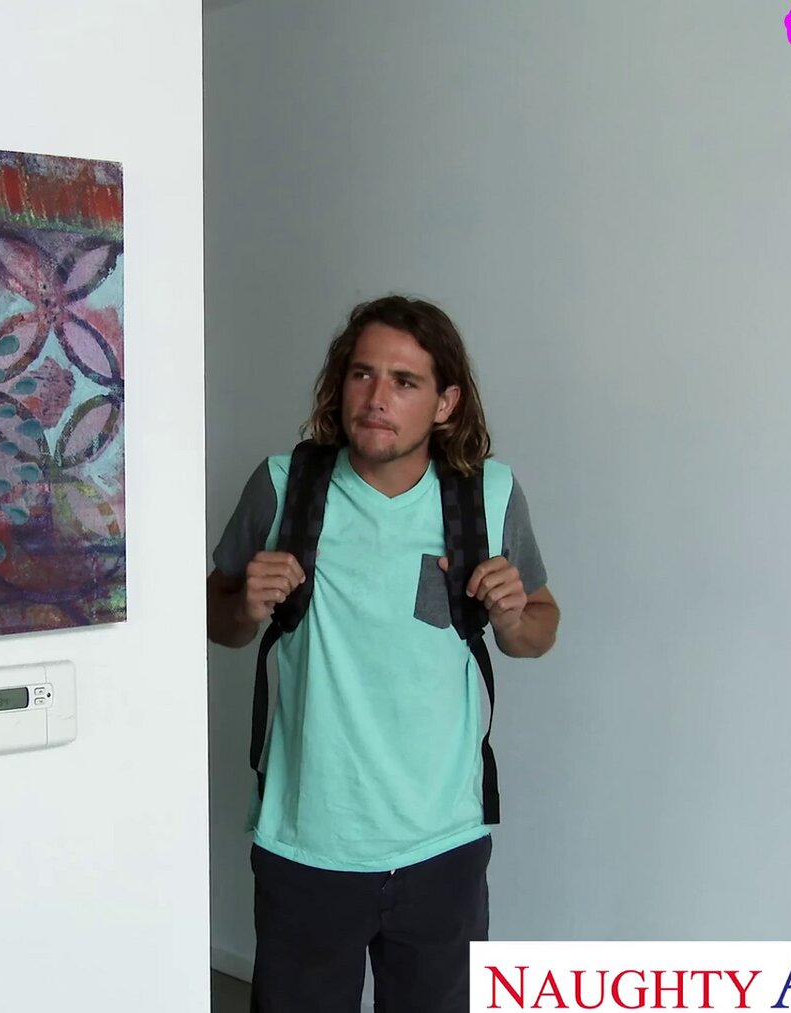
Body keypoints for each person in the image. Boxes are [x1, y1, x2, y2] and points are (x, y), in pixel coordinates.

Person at [206, 294, 560, 1011]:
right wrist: (244, 607)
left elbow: (539, 629)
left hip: (444, 846)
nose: (376, 398)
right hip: (307, 845)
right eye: (362, 374)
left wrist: (513, 615)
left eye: (405, 381)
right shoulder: (283, 486)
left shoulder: (488, 496)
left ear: (445, 402)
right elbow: (218, 619)